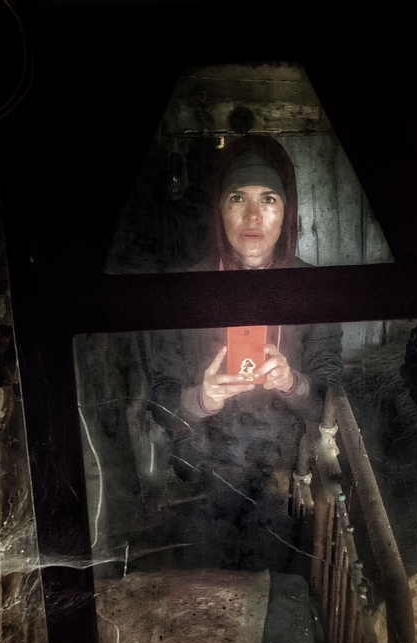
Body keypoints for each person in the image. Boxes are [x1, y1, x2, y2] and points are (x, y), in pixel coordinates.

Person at [145, 135, 342, 572]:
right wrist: (201, 399)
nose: (253, 216)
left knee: (275, 591)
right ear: (219, 210)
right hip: (202, 482)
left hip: (285, 481)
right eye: (238, 198)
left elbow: (330, 403)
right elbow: (160, 402)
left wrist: (292, 383)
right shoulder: (184, 292)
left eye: (268, 199)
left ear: (287, 212)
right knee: (205, 593)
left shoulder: (315, 290)